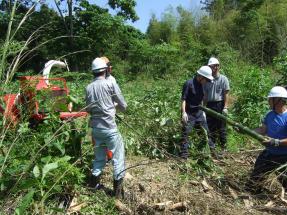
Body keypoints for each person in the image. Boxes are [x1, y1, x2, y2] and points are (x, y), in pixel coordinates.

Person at [85, 57, 127, 199]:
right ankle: (118, 193)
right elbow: (123, 105)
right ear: (105, 70)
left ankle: (93, 186)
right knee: (118, 158)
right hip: (109, 128)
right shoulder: (109, 84)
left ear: (94, 72)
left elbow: (89, 109)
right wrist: (113, 107)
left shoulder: (88, 87)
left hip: (96, 130)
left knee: (99, 159)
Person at [248, 86, 287, 193]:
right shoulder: (269, 115)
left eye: (270, 99)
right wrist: (246, 130)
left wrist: (276, 142)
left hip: (284, 157)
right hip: (269, 153)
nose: (268, 101)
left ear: (279, 100)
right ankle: (254, 193)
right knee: (255, 179)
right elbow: (262, 129)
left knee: (285, 181)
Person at [180, 66, 215, 159]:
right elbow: (183, 99)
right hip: (189, 113)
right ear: (200, 76)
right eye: (206, 79)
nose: (206, 81)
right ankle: (184, 155)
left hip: (199, 112)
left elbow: (202, 99)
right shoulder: (189, 83)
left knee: (206, 132)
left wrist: (203, 110)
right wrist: (184, 113)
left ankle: (212, 151)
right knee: (186, 134)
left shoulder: (202, 85)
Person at [203, 57, 230, 151]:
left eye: (213, 66)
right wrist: (203, 107)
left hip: (220, 104)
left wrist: (225, 107)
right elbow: (205, 95)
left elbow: (226, 94)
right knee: (211, 127)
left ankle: (224, 147)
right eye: (210, 67)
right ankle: (212, 147)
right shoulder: (207, 79)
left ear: (218, 67)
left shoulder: (223, 79)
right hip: (210, 105)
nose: (212, 68)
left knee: (221, 126)